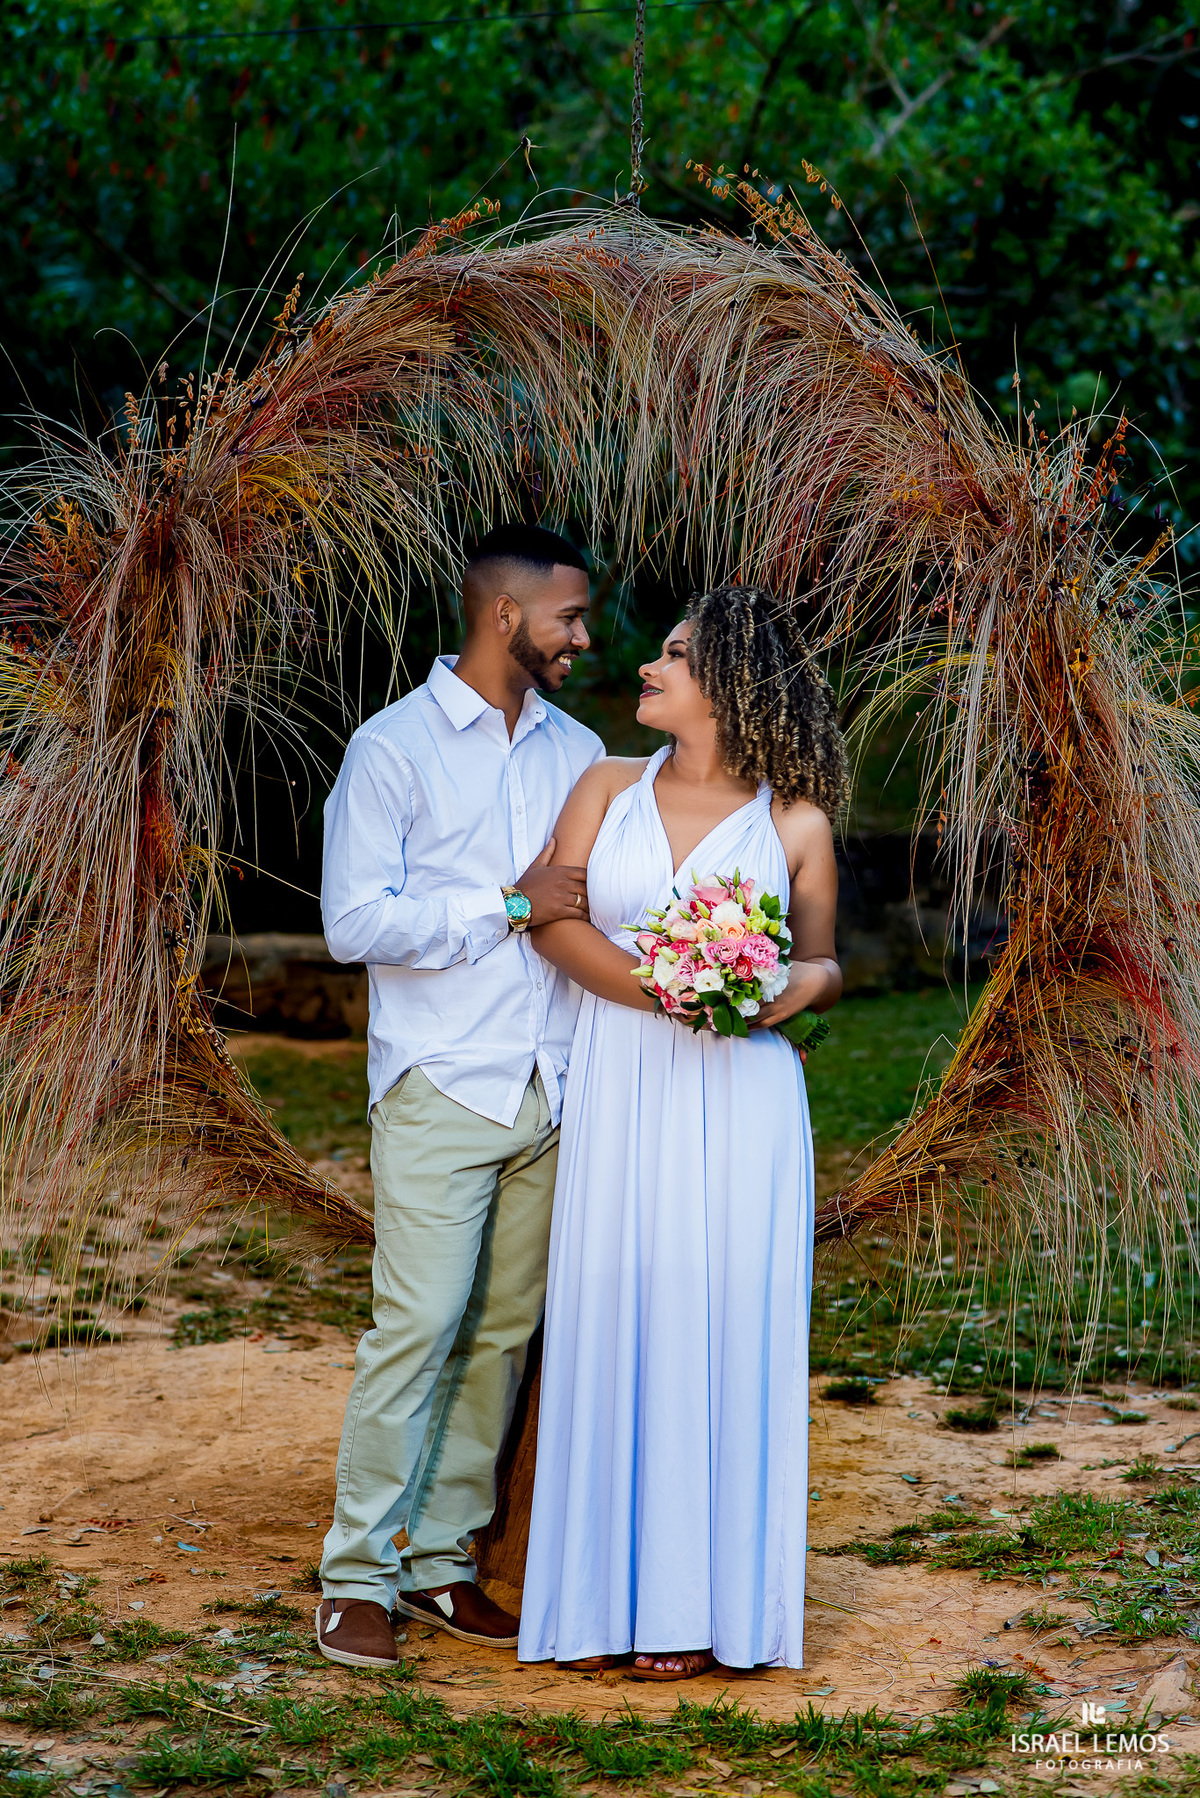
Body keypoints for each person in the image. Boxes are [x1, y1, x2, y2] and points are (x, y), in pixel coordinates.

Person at [516, 584, 845, 1678]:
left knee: (723, 1323)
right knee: (619, 1309)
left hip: (742, 1104)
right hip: (626, 1082)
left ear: (735, 686)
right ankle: (609, 1596)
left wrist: (754, 995)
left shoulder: (796, 823)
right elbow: (551, 921)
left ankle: (715, 1610)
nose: (648, 668)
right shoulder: (605, 785)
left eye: (674, 656)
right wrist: (675, 990)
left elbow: (826, 964)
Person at [315, 523, 605, 1670]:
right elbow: (355, 923)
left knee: (502, 1334)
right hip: (440, 1081)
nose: (584, 637)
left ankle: (439, 1559)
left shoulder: (579, 748)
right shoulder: (390, 749)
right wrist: (509, 904)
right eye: (569, 618)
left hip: (551, 1078)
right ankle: (353, 1577)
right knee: (420, 1328)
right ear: (505, 616)